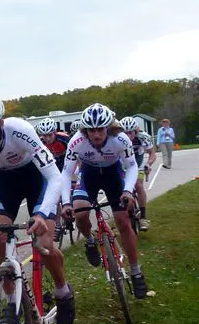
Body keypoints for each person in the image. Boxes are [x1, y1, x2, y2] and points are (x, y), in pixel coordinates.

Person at [0, 95, 76, 324]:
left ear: (0, 123)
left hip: (37, 178)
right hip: (6, 182)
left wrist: (42, 214)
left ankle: (63, 293)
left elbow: (55, 177)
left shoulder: (20, 130)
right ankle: (12, 303)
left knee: (44, 243)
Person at [61, 104, 148, 299]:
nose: (96, 134)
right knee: (80, 213)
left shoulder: (120, 139)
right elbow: (66, 173)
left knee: (123, 221)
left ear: (108, 127)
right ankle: (90, 241)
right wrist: (66, 202)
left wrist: (127, 191)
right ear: (85, 130)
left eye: (100, 129)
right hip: (89, 175)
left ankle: (135, 271)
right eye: (91, 130)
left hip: (113, 175)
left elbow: (132, 167)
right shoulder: (77, 142)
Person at [119, 116, 156, 230]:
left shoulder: (143, 137)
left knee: (138, 185)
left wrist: (148, 164)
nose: (128, 136)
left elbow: (152, 154)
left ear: (136, 131)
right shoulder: (116, 138)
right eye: (125, 133)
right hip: (122, 162)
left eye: (130, 133)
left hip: (137, 162)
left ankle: (143, 218)